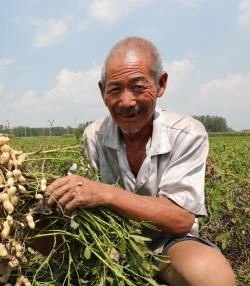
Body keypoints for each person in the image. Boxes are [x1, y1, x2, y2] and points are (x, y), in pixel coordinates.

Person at [46, 37, 236, 286]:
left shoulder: (188, 133)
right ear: (102, 91)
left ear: (161, 84)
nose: (126, 102)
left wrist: (106, 194)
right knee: (38, 229)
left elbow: (181, 219)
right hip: (109, 243)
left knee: (211, 277)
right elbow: (79, 199)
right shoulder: (93, 136)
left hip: (169, 244)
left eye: (138, 87)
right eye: (115, 89)